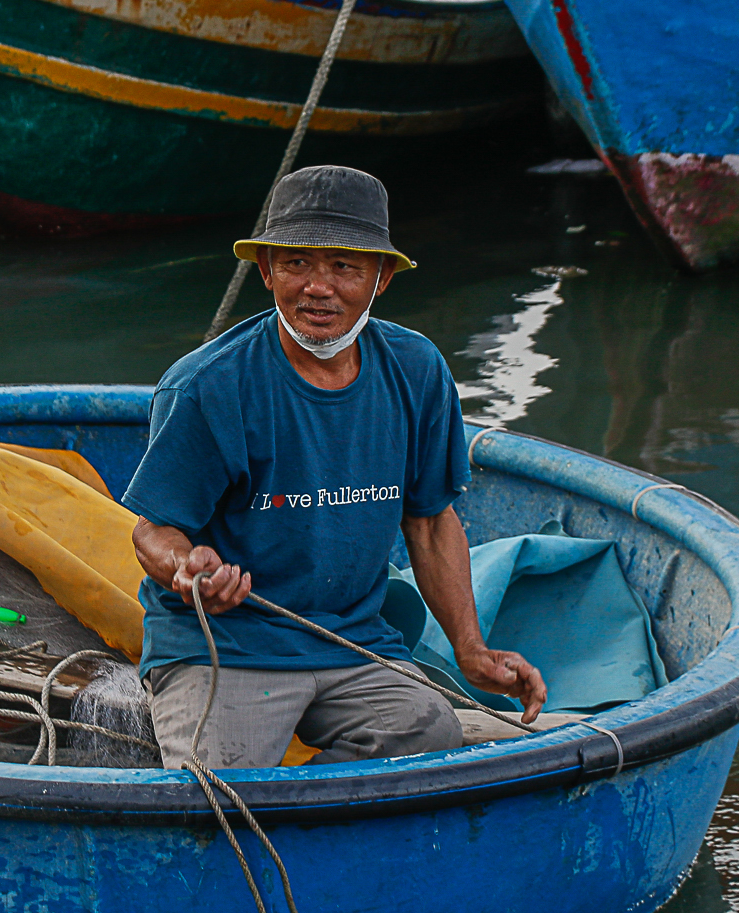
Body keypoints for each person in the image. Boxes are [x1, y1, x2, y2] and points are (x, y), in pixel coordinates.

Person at [123, 166, 546, 771]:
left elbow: (428, 523)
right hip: (227, 648)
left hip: (351, 642)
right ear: (266, 271)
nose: (317, 288)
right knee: (222, 794)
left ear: (383, 278)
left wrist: (471, 649)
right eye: (296, 263)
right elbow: (151, 531)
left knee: (429, 732)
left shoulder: (417, 369)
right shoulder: (208, 385)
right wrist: (187, 573)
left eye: (345, 266)